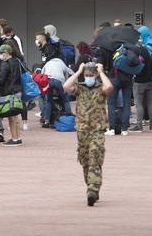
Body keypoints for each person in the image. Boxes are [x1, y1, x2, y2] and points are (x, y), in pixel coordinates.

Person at [63, 62, 114, 207]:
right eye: (87, 76)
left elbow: (109, 87)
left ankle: (92, 188)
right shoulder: (80, 88)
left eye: (91, 76)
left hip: (97, 129)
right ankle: (92, 186)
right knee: (85, 160)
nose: (88, 78)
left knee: (95, 156)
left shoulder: (100, 88)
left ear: (96, 76)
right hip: (82, 129)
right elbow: (66, 86)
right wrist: (79, 72)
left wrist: (101, 72)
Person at [0, 44, 24, 147]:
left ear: (6, 53)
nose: (0, 55)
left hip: (9, 92)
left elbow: (1, 80)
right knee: (16, 116)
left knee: (11, 117)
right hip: (18, 90)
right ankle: (18, 137)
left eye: (1, 53)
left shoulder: (5, 64)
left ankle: (14, 139)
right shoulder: (17, 61)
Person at [131, 31, 152, 132]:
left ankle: (139, 125)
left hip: (139, 81)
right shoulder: (146, 50)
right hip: (149, 80)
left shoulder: (134, 51)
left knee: (139, 104)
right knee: (150, 103)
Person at [40, 55, 74, 128]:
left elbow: (42, 74)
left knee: (48, 101)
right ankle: (68, 117)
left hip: (48, 81)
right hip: (58, 81)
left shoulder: (48, 63)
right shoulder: (61, 63)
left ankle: (46, 122)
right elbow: (69, 72)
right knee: (65, 100)